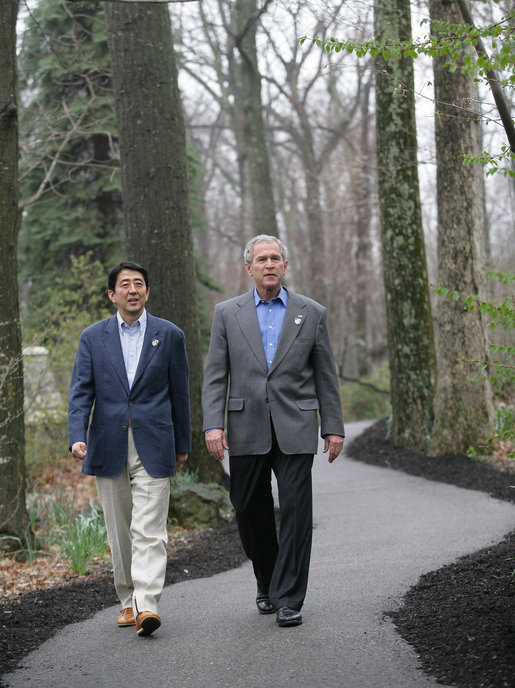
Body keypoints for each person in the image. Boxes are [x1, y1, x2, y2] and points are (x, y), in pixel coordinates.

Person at [202, 235, 344, 627]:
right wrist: (213, 424)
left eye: (275, 258)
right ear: (248, 268)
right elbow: (215, 375)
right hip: (244, 425)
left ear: (285, 266)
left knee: (297, 512)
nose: (269, 264)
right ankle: (267, 579)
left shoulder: (311, 312)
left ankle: (288, 597)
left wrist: (332, 426)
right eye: (261, 259)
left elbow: (325, 374)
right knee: (249, 509)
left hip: (296, 424)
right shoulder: (227, 313)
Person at [68, 261, 191, 636]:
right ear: (112, 294)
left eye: (139, 284)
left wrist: (182, 444)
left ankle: (147, 605)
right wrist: (76, 434)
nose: (132, 290)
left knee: (150, 529)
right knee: (119, 530)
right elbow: (80, 391)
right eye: (125, 284)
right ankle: (126, 600)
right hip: (107, 443)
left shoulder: (170, 335)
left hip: (155, 441)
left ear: (148, 292)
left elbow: (180, 394)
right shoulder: (93, 337)